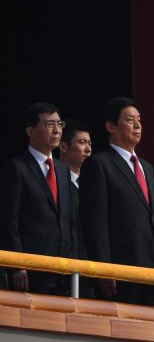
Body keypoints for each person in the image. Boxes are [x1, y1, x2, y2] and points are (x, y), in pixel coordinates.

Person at [80, 96, 154, 306]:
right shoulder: (99, 164)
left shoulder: (147, 168)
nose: (137, 125)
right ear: (111, 126)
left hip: (151, 270)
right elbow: (95, 222)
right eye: (130, 120)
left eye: (139, 120)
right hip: (120, 269)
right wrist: (104, 268)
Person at [0, 102, 77, 294]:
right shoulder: (16, 168)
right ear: (31, 131)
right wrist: (17, 265)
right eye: (50, 124)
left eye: (60, 124)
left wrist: (74, 263)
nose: (57, 130)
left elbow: (68, 221)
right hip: (31, 271)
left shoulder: (62, 169)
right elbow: (10, 221)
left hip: (64, 271)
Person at [59, 119, 94, 297]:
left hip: (90, 271)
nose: (88, 149)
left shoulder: (93, 186)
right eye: (81, 142)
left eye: (89, 143)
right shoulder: (55, 185)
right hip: (61, 269)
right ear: (63, 146)